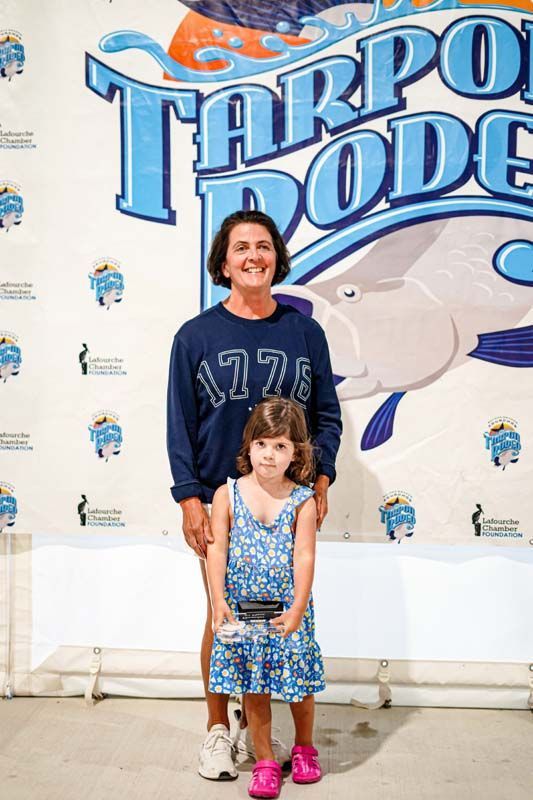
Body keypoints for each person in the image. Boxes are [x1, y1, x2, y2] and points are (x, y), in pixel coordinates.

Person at [166, 209, 341, 780]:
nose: (253, 256)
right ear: (223, 261)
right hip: (225, 503)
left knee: (287, 620)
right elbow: (179, 423)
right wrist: (191, 498)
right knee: (223, 618)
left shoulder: (304, 331)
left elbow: (326, 416)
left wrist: (321, 478)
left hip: (289, 506)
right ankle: (220, 731)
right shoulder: (195, 336)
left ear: (276, 259)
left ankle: (267, 733)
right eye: (241, 247)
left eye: (263, 246)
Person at [207, 397, 323, 797]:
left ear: (296, 452)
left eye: (280, 446)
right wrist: (217, 600)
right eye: (262, 444)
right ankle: (265, 761)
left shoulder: (302, 500)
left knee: (299, 686)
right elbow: (217, 548)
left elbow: (305, 554)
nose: (269, 456)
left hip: (288, 615)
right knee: (254, 688)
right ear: (248, 445)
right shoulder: (228, 494)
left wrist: (297, 608)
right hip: (244, 614)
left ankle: (305, 747)